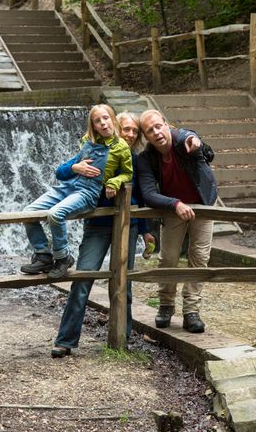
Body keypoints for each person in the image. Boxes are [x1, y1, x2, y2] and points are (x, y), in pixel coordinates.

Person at [48, 112, 154, 358]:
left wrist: (146, 230)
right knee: (83, 278)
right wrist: (76, 167)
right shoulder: (94, 150)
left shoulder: (136, 161)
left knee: (123, 284)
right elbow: (65, 173)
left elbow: (139, 197)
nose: (129, 134)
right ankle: (65, 340)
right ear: (116, 127)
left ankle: (122, 339)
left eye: (134, 131)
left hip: (127, 225)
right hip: (98, 224)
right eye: (125, 128)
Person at [20, 104, 133, 280]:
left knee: (55, 214)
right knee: (28, 213)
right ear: (93, 126)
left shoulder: (122, 147)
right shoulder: (87, 141)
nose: (103, 123)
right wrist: (75, 167)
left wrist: (114, 182)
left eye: (106, 118)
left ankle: (63, 257)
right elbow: (60, 172)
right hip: (68, 187)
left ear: (113, 119)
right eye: (97, 121)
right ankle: (43, 255)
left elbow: (127, 173)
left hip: (88, 193)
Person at [135, 108, 218, 334]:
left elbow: (186, 135)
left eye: (158, 126)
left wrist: (194, 139)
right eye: (149, 130)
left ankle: (191, 311)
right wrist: (175, 204)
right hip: (173, 208)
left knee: (199, 258)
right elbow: (149, 194)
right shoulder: (146, 159)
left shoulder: (183, 141)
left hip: (203, 204)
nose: (156, 132)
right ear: (145, 136)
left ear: (166, 124)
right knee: (168, 258)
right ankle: (166, 305)